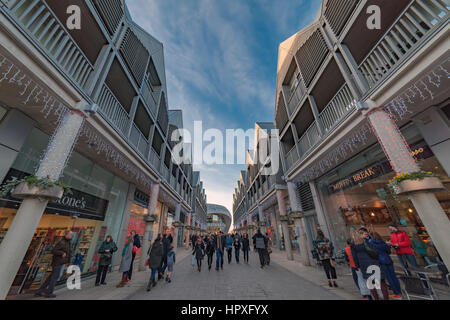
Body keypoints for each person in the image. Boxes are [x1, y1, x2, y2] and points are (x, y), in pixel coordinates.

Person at [352, 228, 389, 300]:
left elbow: (354, 256)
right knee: (381, 282)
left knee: (371, 284)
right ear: (361, 234)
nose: (366, 235)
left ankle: (376, 298)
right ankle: (385, 298)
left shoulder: (353, 244)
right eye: (365, 234)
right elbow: (375, 252)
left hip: (364, 265)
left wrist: (358, 266)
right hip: (373, 263)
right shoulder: (368, 242)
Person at [35, 230, 72, 298]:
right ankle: (49, 293)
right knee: (55, 277)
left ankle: (39, 291)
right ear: (66, 235)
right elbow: (54, 250)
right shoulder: (62, 242)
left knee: (51, 277)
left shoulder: (67, 242)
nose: (71, 236)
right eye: (70, 235)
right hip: (57, 262)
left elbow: (68, 252)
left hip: (60, 262)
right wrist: (62, 253)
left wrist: (67, 261)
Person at [369, 232, 402, 299]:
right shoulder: (383, 242)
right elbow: (389, 252)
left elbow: (373, 253)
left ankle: (396, 293)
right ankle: (399, 292)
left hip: (381, 262)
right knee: (393, 277)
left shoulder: (371, 243)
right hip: (388, 260)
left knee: (389, 278)